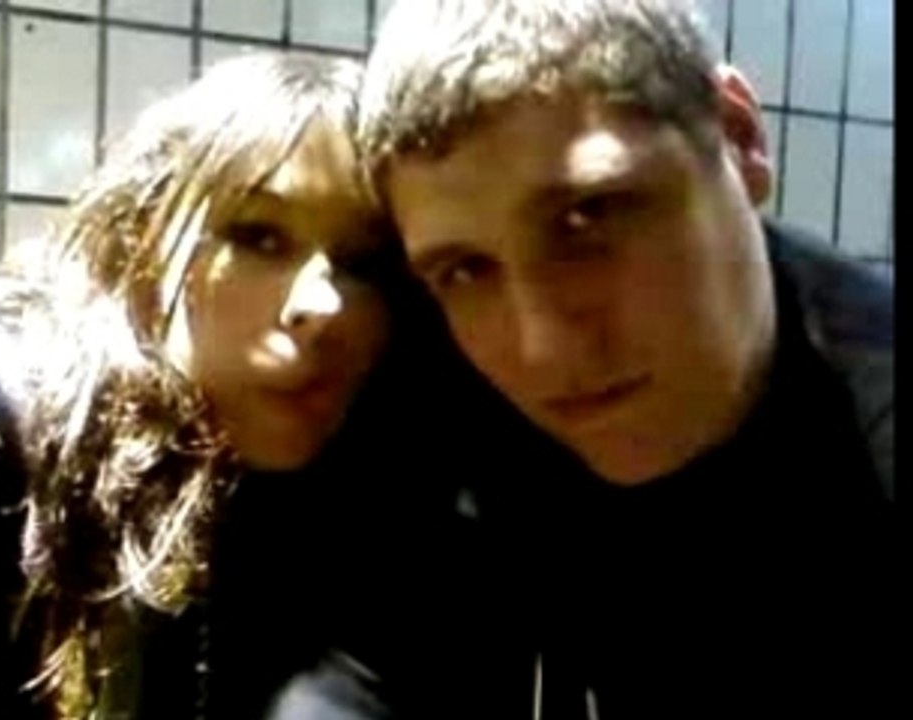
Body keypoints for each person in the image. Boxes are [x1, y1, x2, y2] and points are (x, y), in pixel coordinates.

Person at [359, 0, 897, 716]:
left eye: (589, 218)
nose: (544, 350)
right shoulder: (444, 374)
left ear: (737, 137)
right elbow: (359, 651)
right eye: (465, 269)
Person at [0, 51, 514, 720]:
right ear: (143, 237)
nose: (324, 305)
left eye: (365, 263)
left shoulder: (372, 498)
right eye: (259, 237)